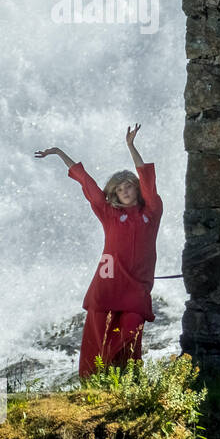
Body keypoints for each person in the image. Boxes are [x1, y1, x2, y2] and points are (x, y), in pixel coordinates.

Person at [34, 124, 163, 377]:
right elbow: (88, 185)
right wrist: (61, 153)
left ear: (136, 188)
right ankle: (98, 380)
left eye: (128, 186)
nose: (124, 191)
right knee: (100, 335)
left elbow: (148, 180)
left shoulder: (152, 211)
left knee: (131, 327)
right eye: (119, 189)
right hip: (107, 282)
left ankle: (127, 375)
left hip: (137, 285)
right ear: (114, 194)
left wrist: (131, 146)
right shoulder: (109, 214)